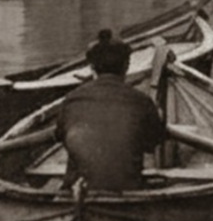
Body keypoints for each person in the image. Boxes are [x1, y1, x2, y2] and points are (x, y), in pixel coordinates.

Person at [55, 29, 165, 191]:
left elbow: (60, 136)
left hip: (79, 190)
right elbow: (152, 144)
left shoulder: (71, 99)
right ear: (126, 66)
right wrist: (160, 117)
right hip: (128, 190)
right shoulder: (142, 101)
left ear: (92, 67)